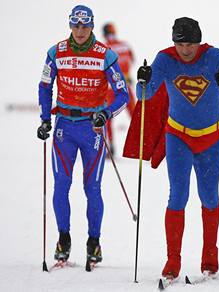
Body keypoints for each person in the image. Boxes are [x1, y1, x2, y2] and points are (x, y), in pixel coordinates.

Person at [132, 17, 219, 280]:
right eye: (181, 44)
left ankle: (210, 256)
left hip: (210, 139)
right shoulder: (165, 59)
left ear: (199, 41)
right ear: (174, 43)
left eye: (191, 44)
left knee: (209, 197)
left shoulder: (214, 56)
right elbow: (143, 95)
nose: (186, 50)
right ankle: (173, 260)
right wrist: (143, 81)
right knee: (178, 197)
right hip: (178, 138)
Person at [36, 5, 129, 268]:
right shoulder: (56, 52)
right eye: (75, 26)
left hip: (92, 129)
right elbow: (45, 85)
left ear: (91, 26)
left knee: (92, 188)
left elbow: (122, 94)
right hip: (64, 126)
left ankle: (94, 242)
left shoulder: (105, 55)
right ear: (70, 26)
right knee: (61, 184)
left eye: (84, 25)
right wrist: (45, 118)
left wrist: (106, 114)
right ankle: (63, 239)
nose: (79, 30)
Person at [102, 22, 136, 156]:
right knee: (135, 116)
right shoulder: (125, 45)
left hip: (110, 88)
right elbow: (131, 60)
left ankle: (110, 147)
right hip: (126, 86)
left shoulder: (104, 48)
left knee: (107, 116)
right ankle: (143, 145)